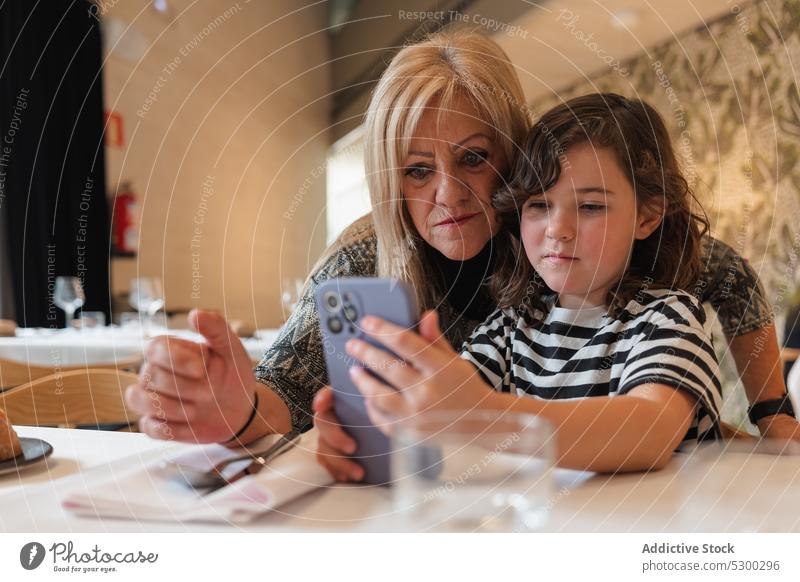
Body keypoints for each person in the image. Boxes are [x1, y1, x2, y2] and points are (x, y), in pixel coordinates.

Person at [122, 29, 797, 473]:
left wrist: (773, 414)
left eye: (475, 159)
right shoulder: (373, 266)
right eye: (417, 172)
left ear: (517, 155)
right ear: (391, 183)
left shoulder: (566, 243)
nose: (449, 194)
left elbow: (726, 280)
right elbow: (293, 398)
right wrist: (254, 413)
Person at [343, 93, 722, 473]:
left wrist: (480, 414)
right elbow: (441, 414)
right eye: (539, 205)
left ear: (648, 215)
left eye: (590, 207)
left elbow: (648, 431)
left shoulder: (667, 320)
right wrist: (366, 428)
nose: (558, 230)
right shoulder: (511, 328)